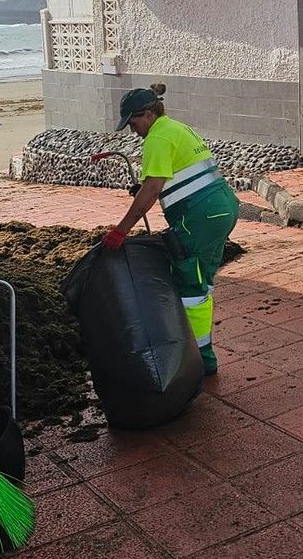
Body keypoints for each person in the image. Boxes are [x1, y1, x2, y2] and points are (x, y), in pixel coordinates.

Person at [102, 84, 239, 374]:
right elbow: (171, 176)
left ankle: (201, 360)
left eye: (133, 122)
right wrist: (147, 188)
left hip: (200, 215)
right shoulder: (175, 128)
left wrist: (121, 231)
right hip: (222, 207)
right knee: (202, 279)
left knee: (190, 284)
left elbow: (151, 191)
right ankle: (198, 349)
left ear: (148, 114)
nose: (132, 129)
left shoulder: (158, 138)